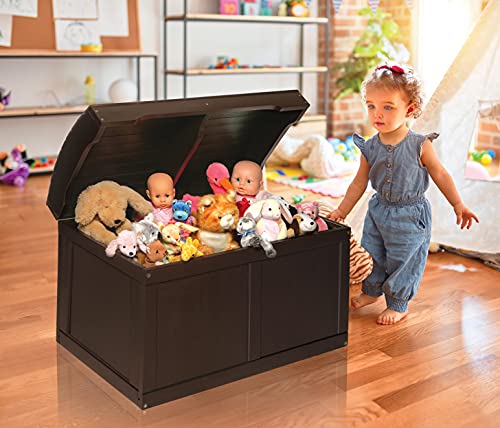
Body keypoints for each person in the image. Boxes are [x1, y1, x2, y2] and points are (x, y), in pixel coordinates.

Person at [328, 62, 479, 325]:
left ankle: (398, 302)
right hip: (378, 210)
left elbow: (440, 174)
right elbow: (358, 183)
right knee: (372, 251)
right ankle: (372, 291)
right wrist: (342, 210)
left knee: (404, 258)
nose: (378, 113)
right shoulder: (370, 147)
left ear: (409, 109)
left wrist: (458, 204)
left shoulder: (420, 144)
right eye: (372, 105)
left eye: (388, 106)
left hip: (410, 215)